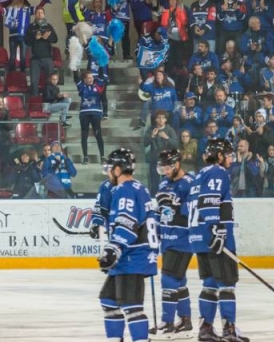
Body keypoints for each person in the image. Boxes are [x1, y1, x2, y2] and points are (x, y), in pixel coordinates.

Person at [189, 138, 249, 341]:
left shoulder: (199, 175)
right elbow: (209, 202)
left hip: (201, 239)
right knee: (227, 285)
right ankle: (229, 329)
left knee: (210, 285)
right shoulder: (218, 171)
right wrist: (217, 229)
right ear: (220, 155)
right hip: (217, 240)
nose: (232, 159)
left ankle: (205, 328)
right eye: (229, 154)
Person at [97, 148, 158, 342]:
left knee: (132, 307)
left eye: (110, 169)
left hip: (132, 256)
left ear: (117, 170)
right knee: (109, 301)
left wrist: (113, 248)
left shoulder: (125, 190)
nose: (108, 174)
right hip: (130, 256)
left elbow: (127, 223)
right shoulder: (138, 187)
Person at [150, 149, 195, 338]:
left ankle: (167, 322)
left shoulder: (190, 184)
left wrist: (178, 207)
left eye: (167, 167)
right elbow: (162, 212)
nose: (165, 171)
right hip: (167, 239)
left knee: (168, 278)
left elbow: (195, 211)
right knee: (179, 280)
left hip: (183, 239)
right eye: (162, 168)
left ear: (177, 165)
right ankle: (185, 319)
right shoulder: (164, 183)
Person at [25, 7, 58, 97]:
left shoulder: (48, 26)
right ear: (35, 14)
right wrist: (35, 38)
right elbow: (26, 41)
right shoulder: (31, 27)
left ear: (44, 14)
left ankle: (50, 100)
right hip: (35, 59)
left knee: (50, 81)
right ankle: (35, 102)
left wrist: (48, 38)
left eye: (42, 12)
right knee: (34, 82)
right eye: (38, 12)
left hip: (47, 58)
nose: (40, 14)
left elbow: (55, 39)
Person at [76, 71, 105, 165]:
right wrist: (74, 68)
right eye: (89, 78)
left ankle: (102, 157)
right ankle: (85, 157)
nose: (91, 79)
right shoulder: (82, 87)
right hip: (84, 113)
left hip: (96, 113)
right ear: (84, 79)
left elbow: (101, 76)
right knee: (84, 136)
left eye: (92, 77)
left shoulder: (97, 86)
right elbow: (76, 78)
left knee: (98, 135)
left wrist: (101, 63)